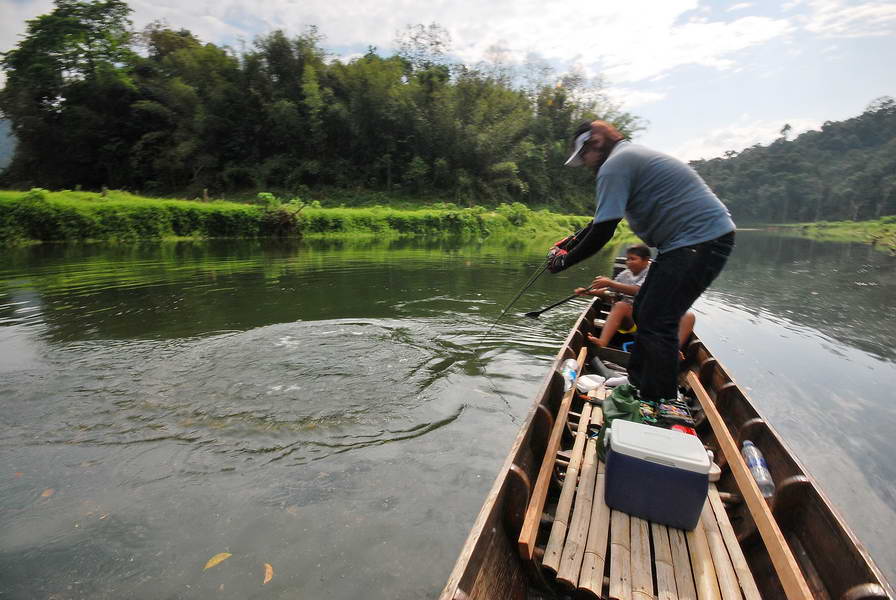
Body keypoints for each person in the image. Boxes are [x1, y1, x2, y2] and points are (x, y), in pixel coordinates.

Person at [547, 120, 735, 403]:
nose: (586, 164)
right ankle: (639, 381)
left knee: (658, 320)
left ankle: (659, 400)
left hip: (699, 242)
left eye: (584, 156)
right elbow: (599, 222)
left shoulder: (614, 164)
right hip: (688, 244)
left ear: (595, 142)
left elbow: (604, 230)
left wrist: (563, 262)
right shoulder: (625, 159)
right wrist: (569, 245)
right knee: (646, 311)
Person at [575, 244, 696, 355]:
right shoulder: (625, 274)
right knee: (620, 306)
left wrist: (610, 282)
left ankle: (672, 352)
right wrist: (589, 292)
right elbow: (610, 292)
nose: (629, 262)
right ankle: (602, 342)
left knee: (688, 316)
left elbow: (639, 290)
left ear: (646, 260)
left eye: (633, 259)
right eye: (627, 259)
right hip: (633, 322)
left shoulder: (654, 272)